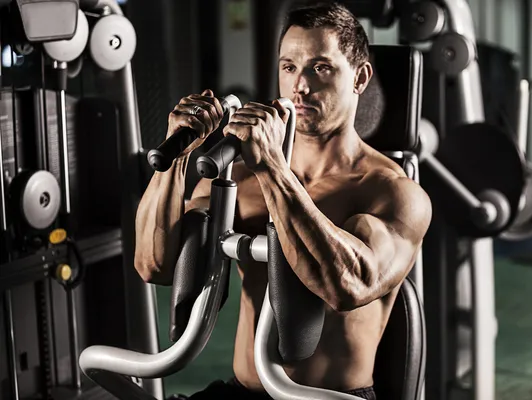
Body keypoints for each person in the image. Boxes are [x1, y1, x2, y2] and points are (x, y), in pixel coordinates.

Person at [134, 2, 432, 399]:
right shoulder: (239, 178)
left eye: (320, 68)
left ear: (359, 78)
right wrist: (176, 158)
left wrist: (275, 169)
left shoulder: (393, 191)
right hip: (243, 392)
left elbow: (348, 286)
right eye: (289, 67)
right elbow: (153, 265)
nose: (300, 86)